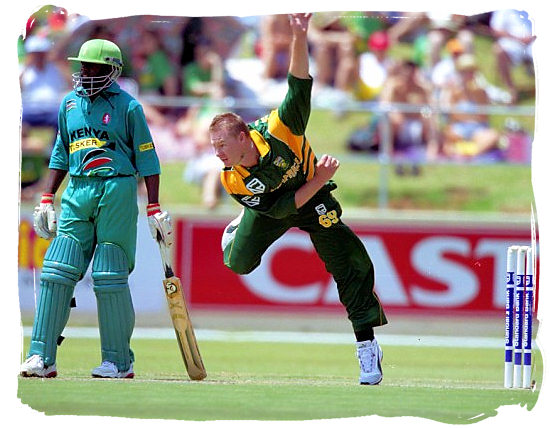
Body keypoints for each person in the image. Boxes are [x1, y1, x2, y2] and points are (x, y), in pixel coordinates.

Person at [209, 14, 387, 386]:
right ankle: (240, 224)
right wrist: (321, 177)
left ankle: (367, 346)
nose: (218, 154)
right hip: (278, 205)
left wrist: (300, 34)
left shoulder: (281, 127)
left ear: (244, 137)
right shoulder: (232, 178)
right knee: (238, 263)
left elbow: (299, 82)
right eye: (214, 148)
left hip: (312, 198)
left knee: (348, 263)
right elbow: (282, 208)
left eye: (223, 146)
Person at [20, 39, 173, 379]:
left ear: (112, 70)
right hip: (77, 188)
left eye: (93, 67)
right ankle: (41, 357)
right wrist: (47, 197)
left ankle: (118, 361)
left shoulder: (129, 107)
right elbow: (61, 151)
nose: (85, 73)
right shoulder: (69, 104)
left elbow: (148, 159)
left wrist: (154, 206)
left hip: (117, 188)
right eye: (82, 66)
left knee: (109, 274)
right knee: (57, 270)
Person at [440, 54, 502, 161]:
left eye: (471, 72)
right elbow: (452, 115)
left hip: (477, 129)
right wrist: (470, 117)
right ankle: (461, 153)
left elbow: (484, 116)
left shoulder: (481, 92)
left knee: (493, 135)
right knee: (444, 135)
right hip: (459, 129)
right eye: (465, 72)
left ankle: (471, 155)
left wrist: (466, 117)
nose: (468, 75)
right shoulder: (453, 91)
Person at [379, 60, 438, 169]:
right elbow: (384, 104)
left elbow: (431, 108)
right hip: (398, 125)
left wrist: (424, 114)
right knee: (392, 118)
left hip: (416, 125)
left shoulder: (422, 89)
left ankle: (431, 152)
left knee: (430, 119)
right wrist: (395, 112)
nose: (408, 77)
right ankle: (388, 152)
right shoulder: (393, 85)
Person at [490, 9, 536, 103]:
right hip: (513, 43)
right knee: (499, 51)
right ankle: (512, 91)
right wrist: (518, 38)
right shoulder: (503, 9)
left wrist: (532, 37)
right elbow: (496, 30)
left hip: (534, 42)